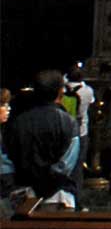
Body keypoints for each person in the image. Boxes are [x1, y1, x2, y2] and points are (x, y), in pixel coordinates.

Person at [7, 70, 85, 208]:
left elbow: (9, 156)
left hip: (23, 193)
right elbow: (67, 163)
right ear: (60, 92)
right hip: (59, 195)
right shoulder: (69, 122)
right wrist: (47, 185)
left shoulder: (18, 122)